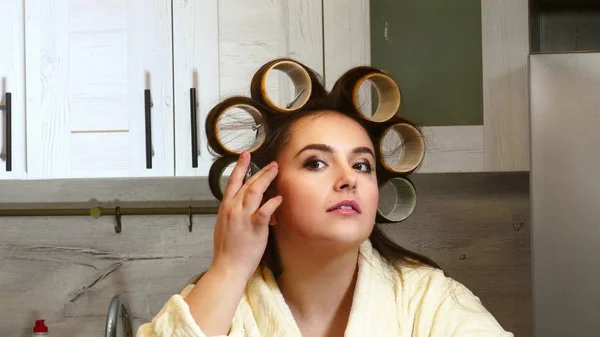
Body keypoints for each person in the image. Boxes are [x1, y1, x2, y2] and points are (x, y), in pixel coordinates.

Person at [137, 59, 513, 337]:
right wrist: (229, 268)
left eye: (363, 165)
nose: (349, 179)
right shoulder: (225, 305)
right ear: (267, 196)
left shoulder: (426, 300)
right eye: (316, 163)